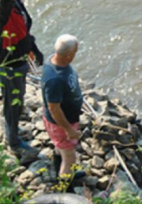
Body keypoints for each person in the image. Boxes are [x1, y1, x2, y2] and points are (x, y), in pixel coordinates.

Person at [0, 0, 43, 161]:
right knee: (13, 104)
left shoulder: (17, 3)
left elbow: (24, 29)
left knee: (14, 101)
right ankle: (14, 143)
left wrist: (34, 48)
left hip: (18, 60)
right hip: (9, 65)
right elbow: (1, 11)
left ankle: (11, 128)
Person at [41, 34, 84, 178]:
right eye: (75, 52)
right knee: (70, 157)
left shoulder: (54, 60)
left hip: (67, 117)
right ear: (68, 55)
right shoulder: (55, 79)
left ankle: (57, 162)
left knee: (62, 148)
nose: (76, 55)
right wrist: (69, 129)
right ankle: (66, 188)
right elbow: (54, 108)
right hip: (61, 123)